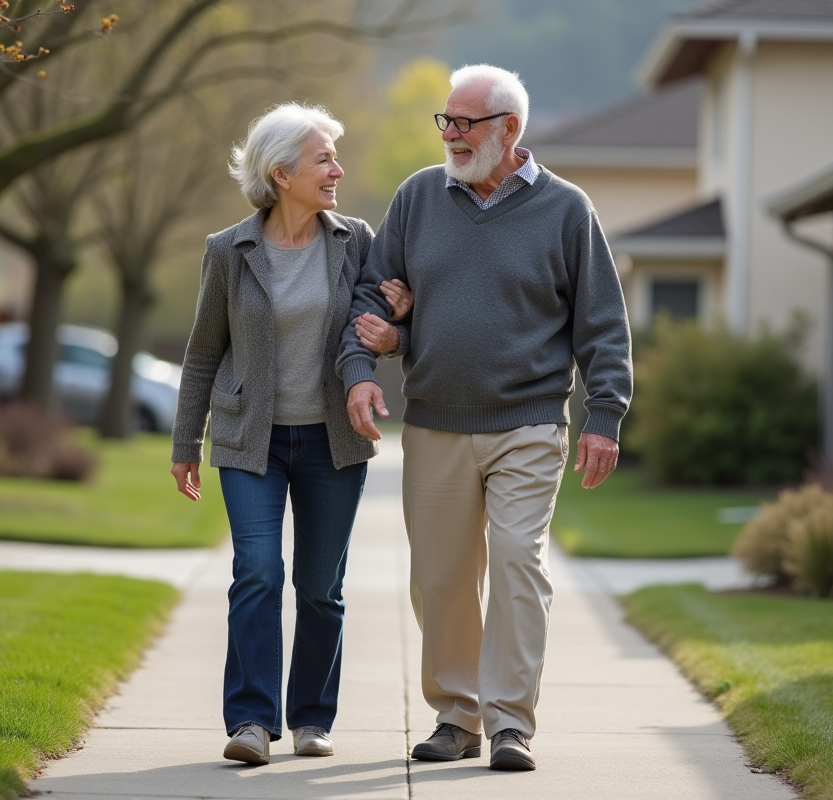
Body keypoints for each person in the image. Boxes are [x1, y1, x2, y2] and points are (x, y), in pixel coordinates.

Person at [339, 65, 633, 772]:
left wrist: (605, 416)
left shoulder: (566, 210)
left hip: (529, 421)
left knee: (517, 563)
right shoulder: (418, 198)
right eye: (445, 120)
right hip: (435, 421)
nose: (451, 134)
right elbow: (371, 297)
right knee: (440, 578)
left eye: (465, 123)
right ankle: (457, 715)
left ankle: (509, 723)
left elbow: (602, 324)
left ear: (510, 129)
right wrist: (361, 370)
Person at [171, 103, 411, 767]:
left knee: (320, 586)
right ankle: (251, 721)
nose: (338, 170)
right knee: (257, 571)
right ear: (281, 174)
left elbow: (374, 328)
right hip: (252, 440)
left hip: (333, 442)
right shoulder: (229, 250)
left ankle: (310, 718)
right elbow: (202, 353)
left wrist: (399, 324)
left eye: (335, 158)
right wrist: (185, 444)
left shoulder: (355, 241)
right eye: (324, 160)